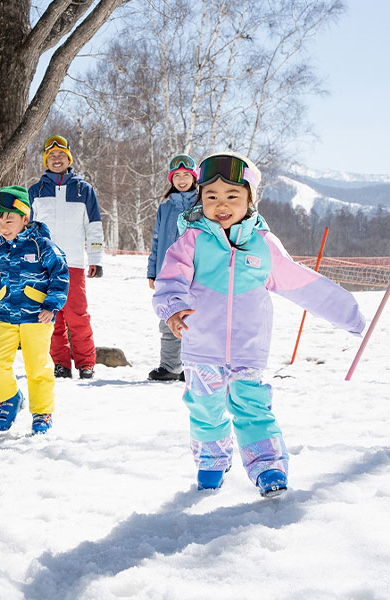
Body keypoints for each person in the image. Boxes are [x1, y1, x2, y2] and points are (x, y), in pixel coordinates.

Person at [152, 151, 365, 497]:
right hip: (201, 347)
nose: (221, 204)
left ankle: (268, 468)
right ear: (200, 199)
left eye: (232, 196)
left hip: (248, 349)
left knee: (252, 408)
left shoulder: (263, 245)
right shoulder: (192, 240)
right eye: (212, 196)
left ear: (250, 199)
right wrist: (174, 309)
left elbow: (300, 281)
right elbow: (171, 279)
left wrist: (350, 315)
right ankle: (211, 462)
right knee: (205, 409)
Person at [0, 186, 69, 435]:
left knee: (37, 366)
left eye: (9, 220)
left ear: (25, 219)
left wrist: (52, 306)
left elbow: (60, 275)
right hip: (6, 316)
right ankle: (9, 398)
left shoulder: (43, 245)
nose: (3, 226)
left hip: (37, 317)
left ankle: (42, 412)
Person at [28, 135, 104, 380]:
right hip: (43, 266)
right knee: (51, 318)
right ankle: (60, 363)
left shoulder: (84, 190)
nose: (56, 159)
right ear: (45, 161)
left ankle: (86, 364)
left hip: (72, 264)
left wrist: (96, 258)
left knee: (77, 316)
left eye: (61, 155)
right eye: (52, 156)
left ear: (69, 158)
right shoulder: (35, 191)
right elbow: (28, 229)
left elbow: (93, 227)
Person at [147, 154, 199, 382]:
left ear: (194, 177)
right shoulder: (165, 207)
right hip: (167, 273)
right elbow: (156, 241)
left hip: (196, 273)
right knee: (168, 318)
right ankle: (170, 366)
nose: (181, 179)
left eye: (186, 175)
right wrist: (152, 271)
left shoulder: (202, 204)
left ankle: (192, 367)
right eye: (176, 176)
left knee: (194, 318)